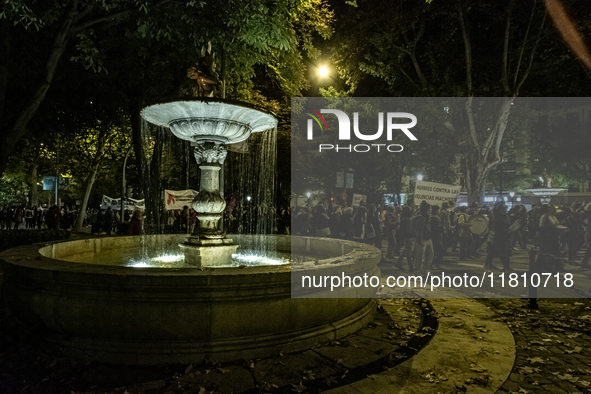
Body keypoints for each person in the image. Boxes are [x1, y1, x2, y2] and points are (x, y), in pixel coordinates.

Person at [484, 203, 512, 272]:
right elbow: (496, 227)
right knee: (493, 252)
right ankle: (487, 266)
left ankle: (506, 267)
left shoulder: (505, 216)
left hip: (503, 236)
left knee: (503, 253)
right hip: (496, 237)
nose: (504, 209)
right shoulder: (496, 217)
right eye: (503, 208)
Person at [412, 201, 434, 273]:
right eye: (429, 209)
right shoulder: (421, 218)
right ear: (426, 209)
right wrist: (419, 239)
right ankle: (417, 270)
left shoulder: (427, 217)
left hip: (427, 238)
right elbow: (419, 229)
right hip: (422, 239)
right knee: (419, 256)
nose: (430, 210)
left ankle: (424, 269)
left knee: (430, 254)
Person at [430, 205, 443, 269]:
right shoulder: (435, 218)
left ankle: (434, 261)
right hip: (435, 236)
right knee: (436, 249)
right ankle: (432, 262)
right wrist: (441, 228)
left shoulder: (433, 217)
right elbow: (435, 228)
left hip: (435, 236)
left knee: (436, 249)